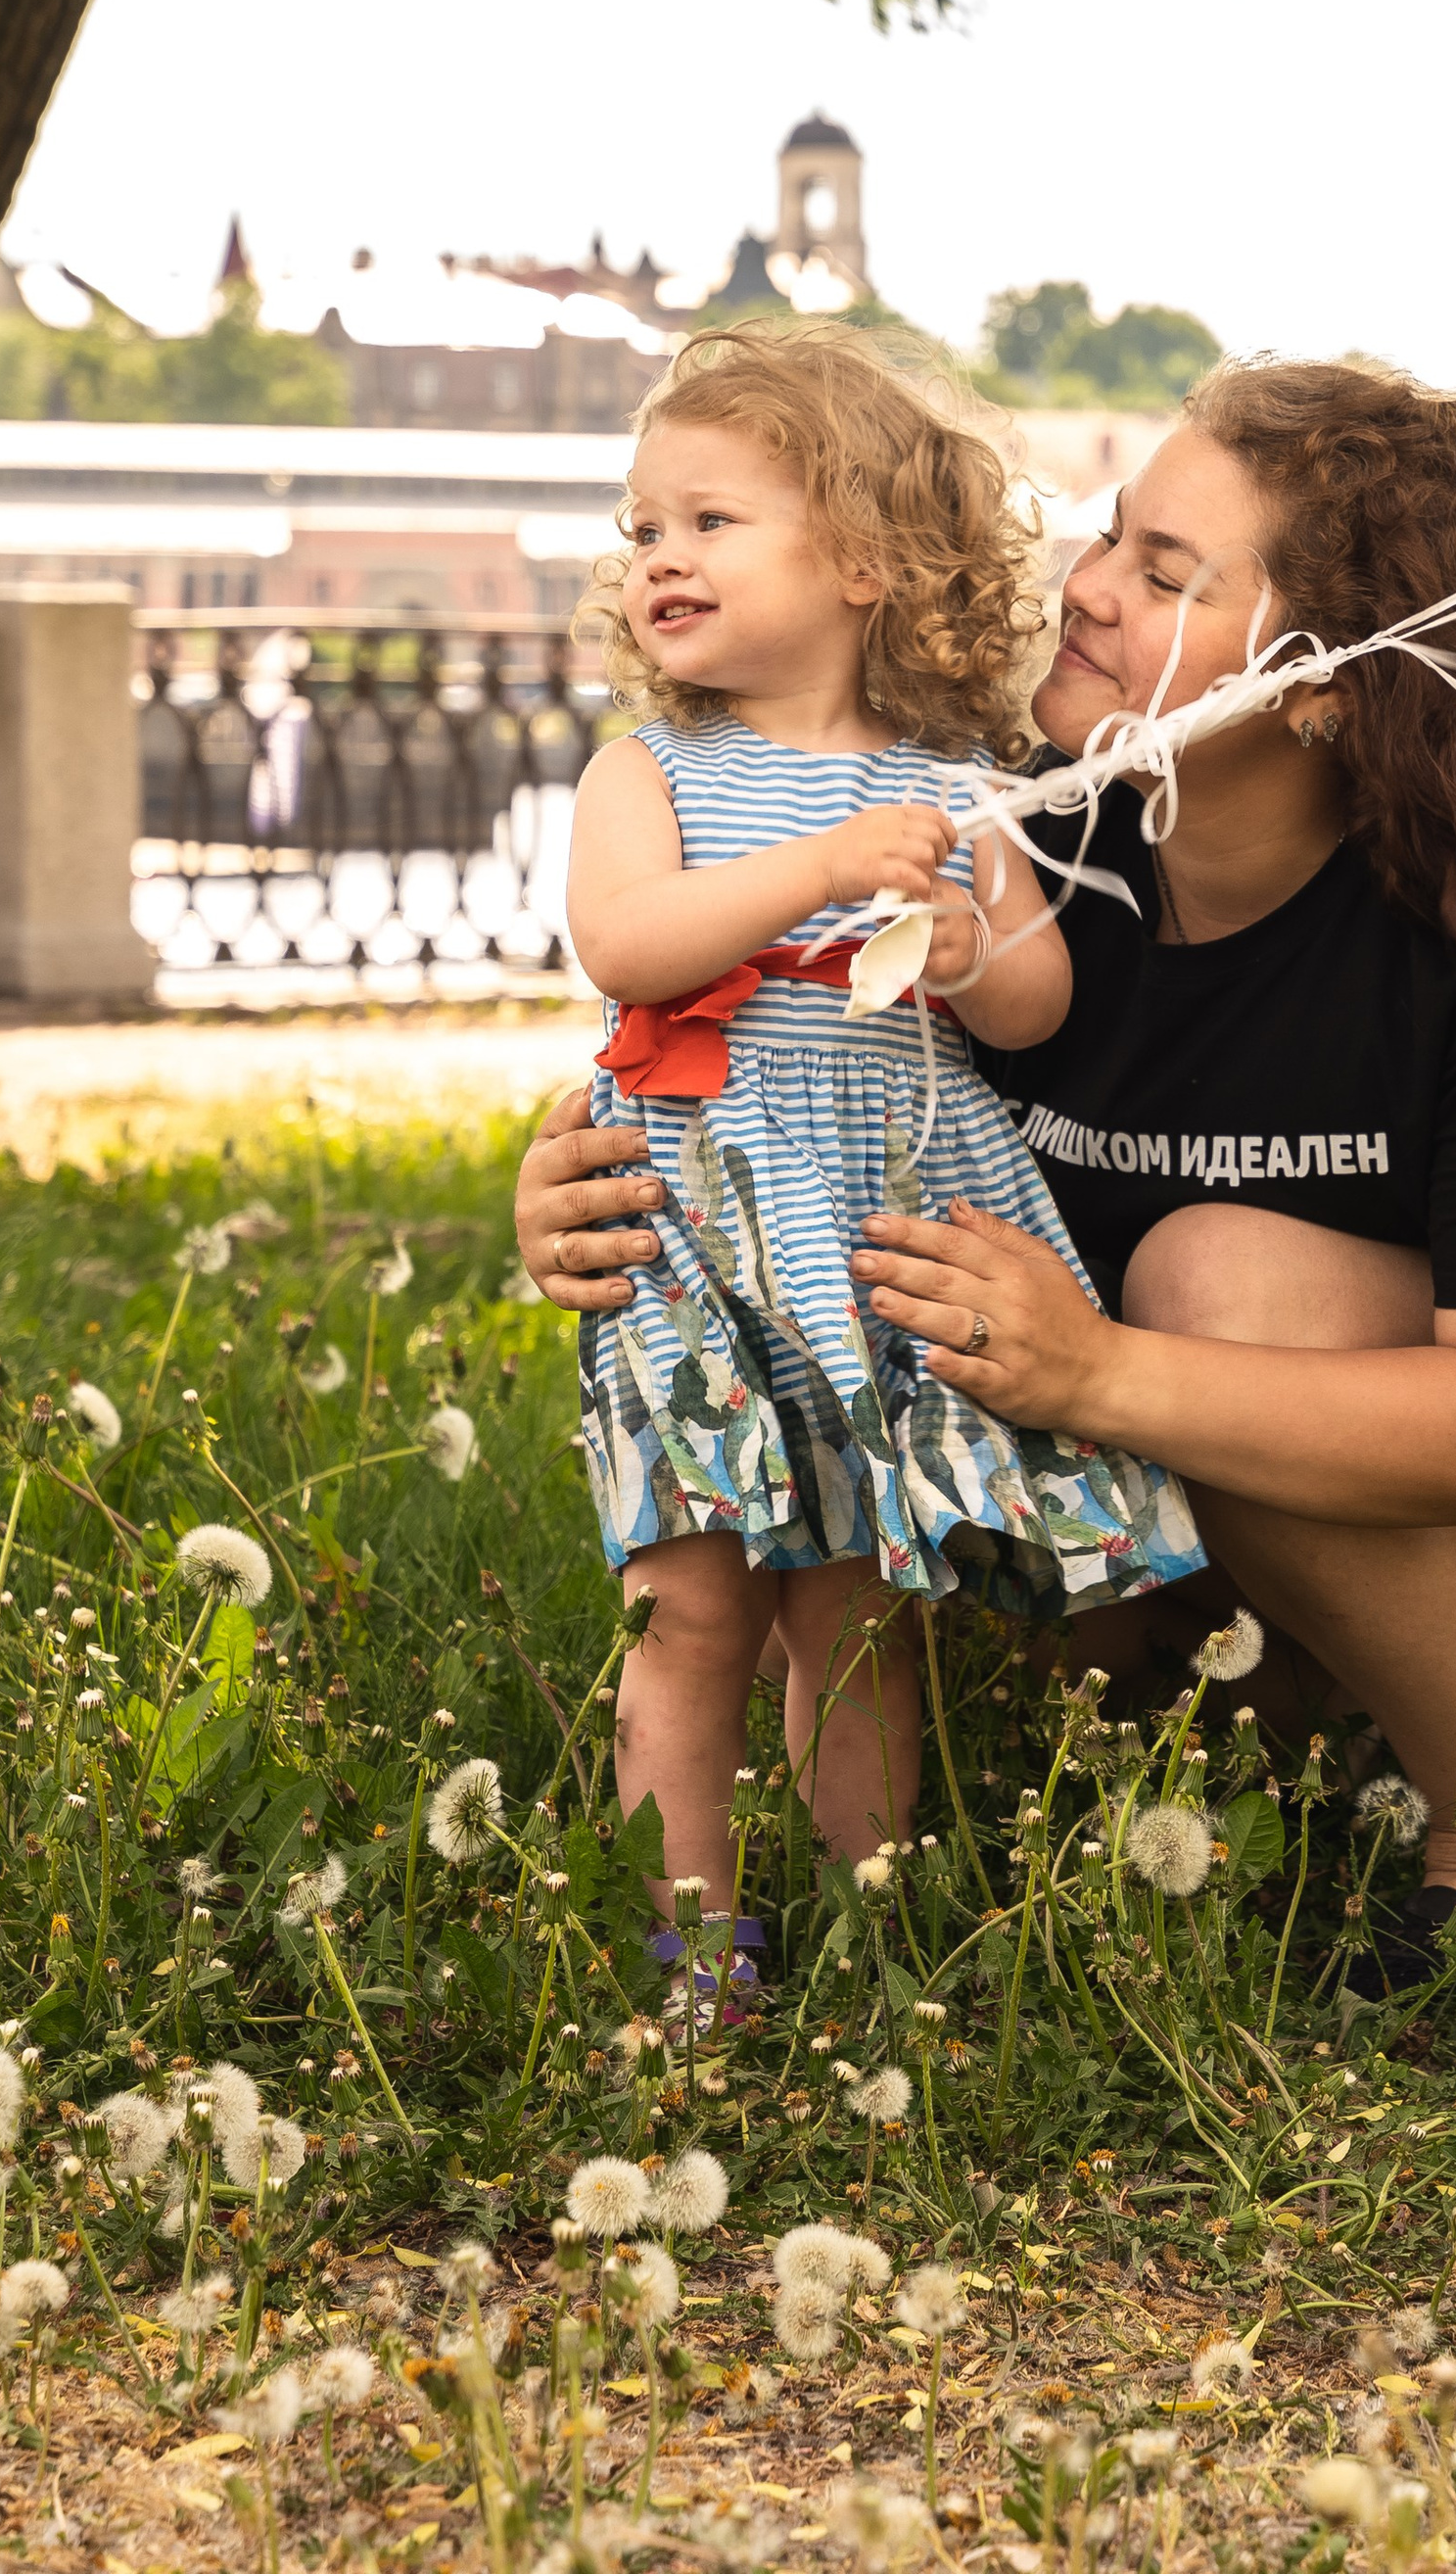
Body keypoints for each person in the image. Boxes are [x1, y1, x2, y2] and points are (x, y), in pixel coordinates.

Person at [524, 357, 1456, 1976]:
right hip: (1217, 1404)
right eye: (1107, 537)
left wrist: (1100, 1372)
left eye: (1163, 576)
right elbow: (789, 1070)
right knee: (997, 1581)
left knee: (1224, 1278)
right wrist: (597, 1180)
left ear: (1316, 683)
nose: (1080, 594)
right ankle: (1304, 1698)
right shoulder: (1014, 850)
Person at [561, 321, 1201, 2028]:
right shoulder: (654, 774)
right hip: (698, 1230)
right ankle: (691, 1962)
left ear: (863, 563)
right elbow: (627, 941)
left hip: (874, 1230)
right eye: (644, 532)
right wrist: (823, 867)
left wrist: (962, 939)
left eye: (709, 521)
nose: (662, 559)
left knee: (855, 1614)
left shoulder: (950, 791)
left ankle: (873, 1944)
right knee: (689, 1607)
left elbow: (1040, 990)